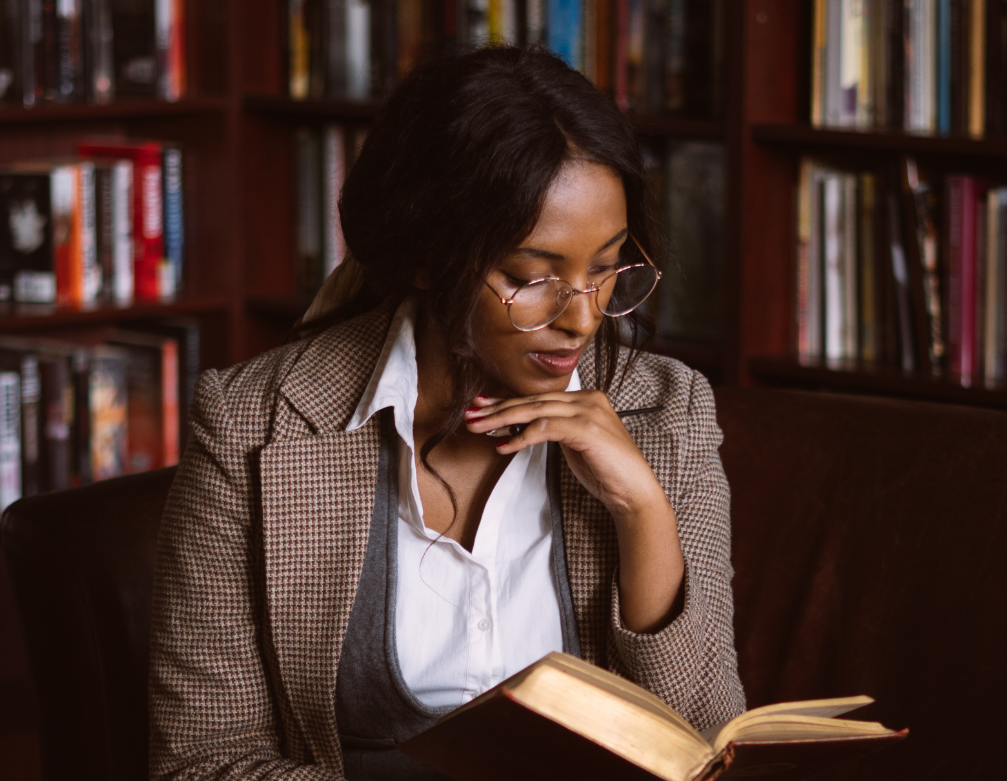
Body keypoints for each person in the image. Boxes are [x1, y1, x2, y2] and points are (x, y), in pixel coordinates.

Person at [149, 45, 745, 780]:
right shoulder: (253, 422)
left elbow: (708, 749)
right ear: (429, 254)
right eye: (531, 276)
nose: (583, 318)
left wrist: (642, 511)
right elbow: (202, 761)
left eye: (607, 267)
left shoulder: (668, 411)